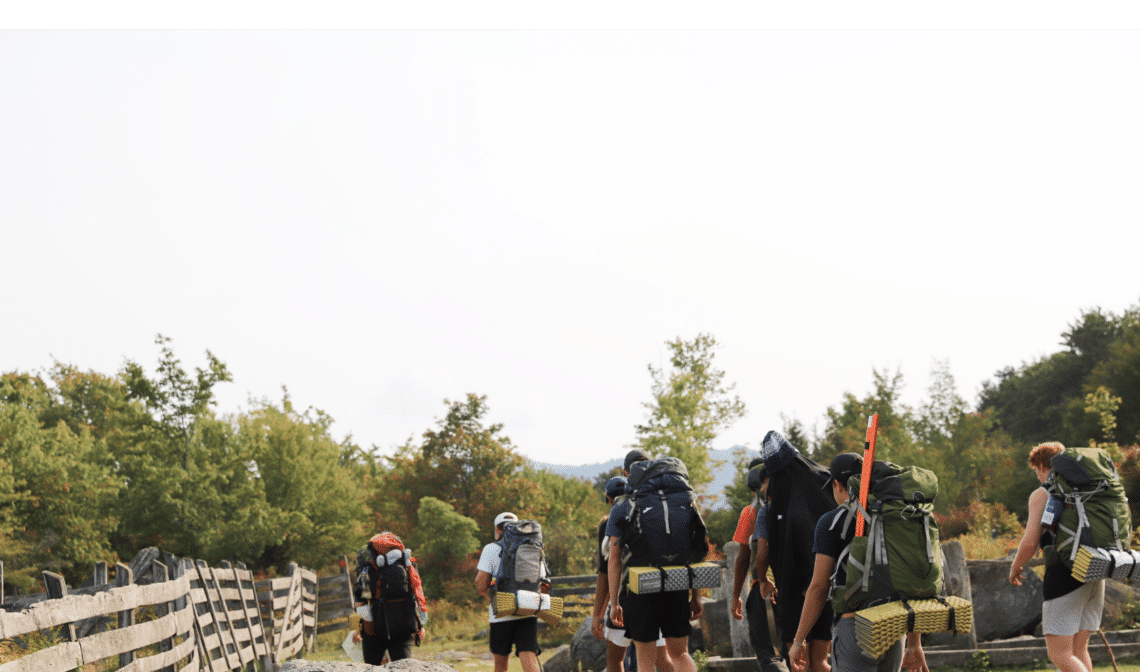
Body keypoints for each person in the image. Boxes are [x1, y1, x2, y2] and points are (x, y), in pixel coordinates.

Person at [788, 454, 927, 672]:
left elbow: (818, 588)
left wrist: (798, 641)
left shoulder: (831, 522)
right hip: (893, 629)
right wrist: (915, 644)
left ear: (837, 484)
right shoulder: (895, 519)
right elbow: (914, 583)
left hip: (855, 629)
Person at [1010, 442, 1104, 672]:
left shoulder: (1044, 494)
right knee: (1079, 651)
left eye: (1036, 470)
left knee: (1059, 653)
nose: (1037, 476)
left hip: (1065, 574)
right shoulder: (1087, 490)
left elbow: (1030, 541)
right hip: (1095, 570)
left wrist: (1016, 566)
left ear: (1044, 466)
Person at [607, 453, 702, 672]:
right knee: (680, 654)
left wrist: (615, 603)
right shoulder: (681, 499)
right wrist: (696, 596)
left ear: (629, 475)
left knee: (646, 662)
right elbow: (696, 550)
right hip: (676, 580)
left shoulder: (622, 507)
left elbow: (614, 559)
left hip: (641, 584)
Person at [759, 431, 840, 668]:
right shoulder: (825, 479)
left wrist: (763, 578)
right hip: (829, 584)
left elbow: (764, 552)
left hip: (795, 592)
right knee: (820, 660)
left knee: (798, 661)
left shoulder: (779, 498)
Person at [592, 464, 675, 672]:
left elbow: (605, 571)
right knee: (661, 658)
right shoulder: (650, 511)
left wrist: (599, 614)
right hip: (656, 592)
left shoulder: (609, 523)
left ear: (610, 499)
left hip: (625, 600)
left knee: (615, 660)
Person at [730, 459, 784, 672]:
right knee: (794, 649)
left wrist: (736, 596)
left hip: (762, 590)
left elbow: (744, 557)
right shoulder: (794, 507)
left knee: (767, 654)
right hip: (793, 588)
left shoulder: (749, 513)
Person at [476, 512, 542, 672]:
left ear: (497, 529)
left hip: (501, 613)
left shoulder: (491, 548)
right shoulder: (531, 547)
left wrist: (488, 592)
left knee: (500, 663)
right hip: (528, 608)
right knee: (529, 656)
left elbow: (481, 583)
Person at [351, 531, 428, 664]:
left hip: (373, 631)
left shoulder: (368, 570)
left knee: (372, 668)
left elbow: (360, 603)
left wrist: (356, 629)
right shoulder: (407, 566)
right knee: (403, 667)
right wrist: (420, 625)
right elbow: (416, 596)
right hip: (403, 629)